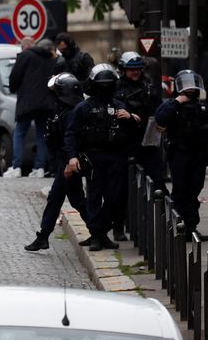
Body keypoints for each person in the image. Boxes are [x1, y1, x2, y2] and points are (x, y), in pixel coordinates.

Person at [64, 64, 139, 251]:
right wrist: (72, 157)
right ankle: (97, 235)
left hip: (116, 157)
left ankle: (101, 231)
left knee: (115, 198)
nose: (105, 88)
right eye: (102, 84)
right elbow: (71, 133)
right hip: (93, 158)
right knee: (94, 197)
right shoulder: (84, 108)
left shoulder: (120, 106)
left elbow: (133, 134)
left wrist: (130, 118)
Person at [25, 73, 90, 251]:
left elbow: (71, 139)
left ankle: (44, 236)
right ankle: (96, 230)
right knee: (72, 199)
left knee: (61, 199)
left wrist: (70, 162)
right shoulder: (63, 110)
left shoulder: (71, 113)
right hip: (64, 160)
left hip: (68, 161)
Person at [155, 69, 208, 239]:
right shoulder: (173, 105)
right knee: (179, 191)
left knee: (193, 191)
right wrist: (176, 102)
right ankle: (178, 226)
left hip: (198, 155)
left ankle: (191, 227)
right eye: (186, 84)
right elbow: (160, 118)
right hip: (179, 154)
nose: (190, 89)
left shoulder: (203, 107)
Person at [112, 51, 164, 242]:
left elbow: (156, 110)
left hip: (147, 141)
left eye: (138, 69)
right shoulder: (116, 88)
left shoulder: (148, 87)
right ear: (123, 70)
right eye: (131, 70)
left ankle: (160, 224)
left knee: (157, 183)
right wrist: (123, 115)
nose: (135, 73)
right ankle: (118, 226)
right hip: (124, 143)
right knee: (120, 188)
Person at [7, 38, 57, 178]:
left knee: (20, 132)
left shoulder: (25, 55)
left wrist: (13, 88)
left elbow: (15, 77)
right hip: (45, 103)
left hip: (27, 102)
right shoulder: (49, 57)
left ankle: (16, 167)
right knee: (41, 135)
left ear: (25, 47)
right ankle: (39, 168)